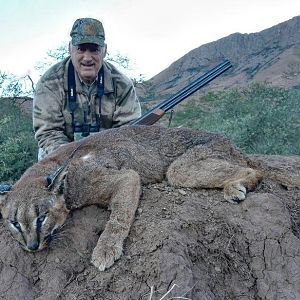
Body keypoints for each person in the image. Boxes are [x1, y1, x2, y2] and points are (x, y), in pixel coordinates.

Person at [33, 17, 141, 160]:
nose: (87, 57)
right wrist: (75, 162)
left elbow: (128, 131)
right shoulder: (49, 83)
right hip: (62, 155)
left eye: (94, 49)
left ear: (105, 50)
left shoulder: (121, 84)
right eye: (81, 49)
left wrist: (103, 159)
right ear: (70, 48)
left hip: (107, 155)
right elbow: (48, 133)